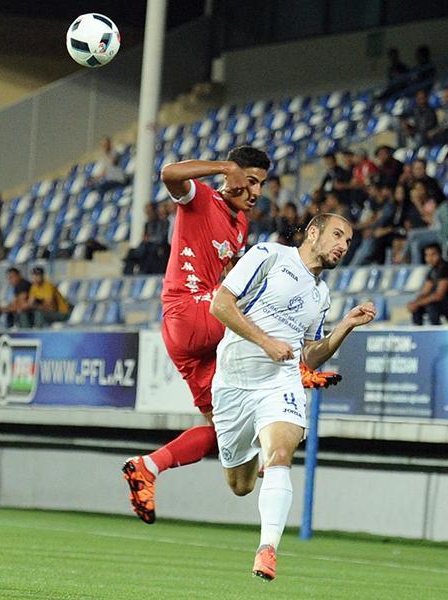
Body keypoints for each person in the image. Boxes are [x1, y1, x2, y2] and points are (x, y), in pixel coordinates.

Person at [208, 213, 376, 581]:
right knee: (240, 485)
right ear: (313, 232)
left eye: (348, 241)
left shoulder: (321, 294)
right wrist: (266, 342)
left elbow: (308, 357)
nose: (343, 246)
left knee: (282, 454)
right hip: (233, 383)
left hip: (279, 382)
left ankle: (267, 549)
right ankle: (258, 454)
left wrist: (345, 326)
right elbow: (220, 304)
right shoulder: (268, 256)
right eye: (337, 235)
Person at [121, 146, 269, 525]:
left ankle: (148, 467)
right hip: (190, 310)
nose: (255, 192)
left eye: (260, 185)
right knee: (267, 319)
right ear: (232, 177)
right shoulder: (200, 198)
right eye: (250, 181)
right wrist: (224, 167)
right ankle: (278, 410)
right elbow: (170, 173)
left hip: (188, 335)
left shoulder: (240, 224)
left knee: (216, 429)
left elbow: (232, 275)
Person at [407, 243, 448, 325]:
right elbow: (425, 292)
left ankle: (435, 328)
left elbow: (439, 295)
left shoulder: (446, 268)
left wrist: (417, 303)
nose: (430, 258)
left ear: (440, 254)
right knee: (418, 307)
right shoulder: (433, 271)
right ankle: (417, 329)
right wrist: (415, 303)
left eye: (433, 254)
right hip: (443, 303)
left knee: (431, 305)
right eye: (427, 255)